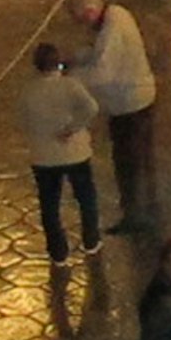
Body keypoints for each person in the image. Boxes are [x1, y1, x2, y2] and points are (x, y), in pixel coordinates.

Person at [70, 0, 160, 231]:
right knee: (142, 159)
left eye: (81, 20)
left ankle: (135, 215)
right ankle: (149, 206)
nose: (83, 26)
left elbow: (103, 71)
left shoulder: (111, 28)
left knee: (128, 162)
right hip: (136, 100)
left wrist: (73, 77)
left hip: (129, 105)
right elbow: (101, 54)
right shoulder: (116, 16)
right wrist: (81, 57)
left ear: (90, 12)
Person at [17, 40, 105, 262]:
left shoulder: (28, 91)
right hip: (75, 153)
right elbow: (92, 108)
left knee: (49, 206)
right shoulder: (70, 85)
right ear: (58, 63)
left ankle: (58, 253)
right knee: (86, 198)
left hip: (44, 157)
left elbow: (23, 121)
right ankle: (91, 240)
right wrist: (72, 128)